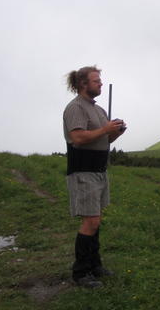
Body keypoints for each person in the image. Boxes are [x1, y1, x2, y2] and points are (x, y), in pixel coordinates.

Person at [63, 66, 126, 288]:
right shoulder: (76, 107)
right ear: (83, 84)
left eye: (100, 80)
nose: (100, 83)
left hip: (99, 171)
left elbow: (103, 141)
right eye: (96, 80)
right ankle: (81, 273)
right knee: (90, 221)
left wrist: (115, 132)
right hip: (83, 171)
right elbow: (78, 138)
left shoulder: (98, 110)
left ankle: (95, 265)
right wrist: (105, 129)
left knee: (95, 220)